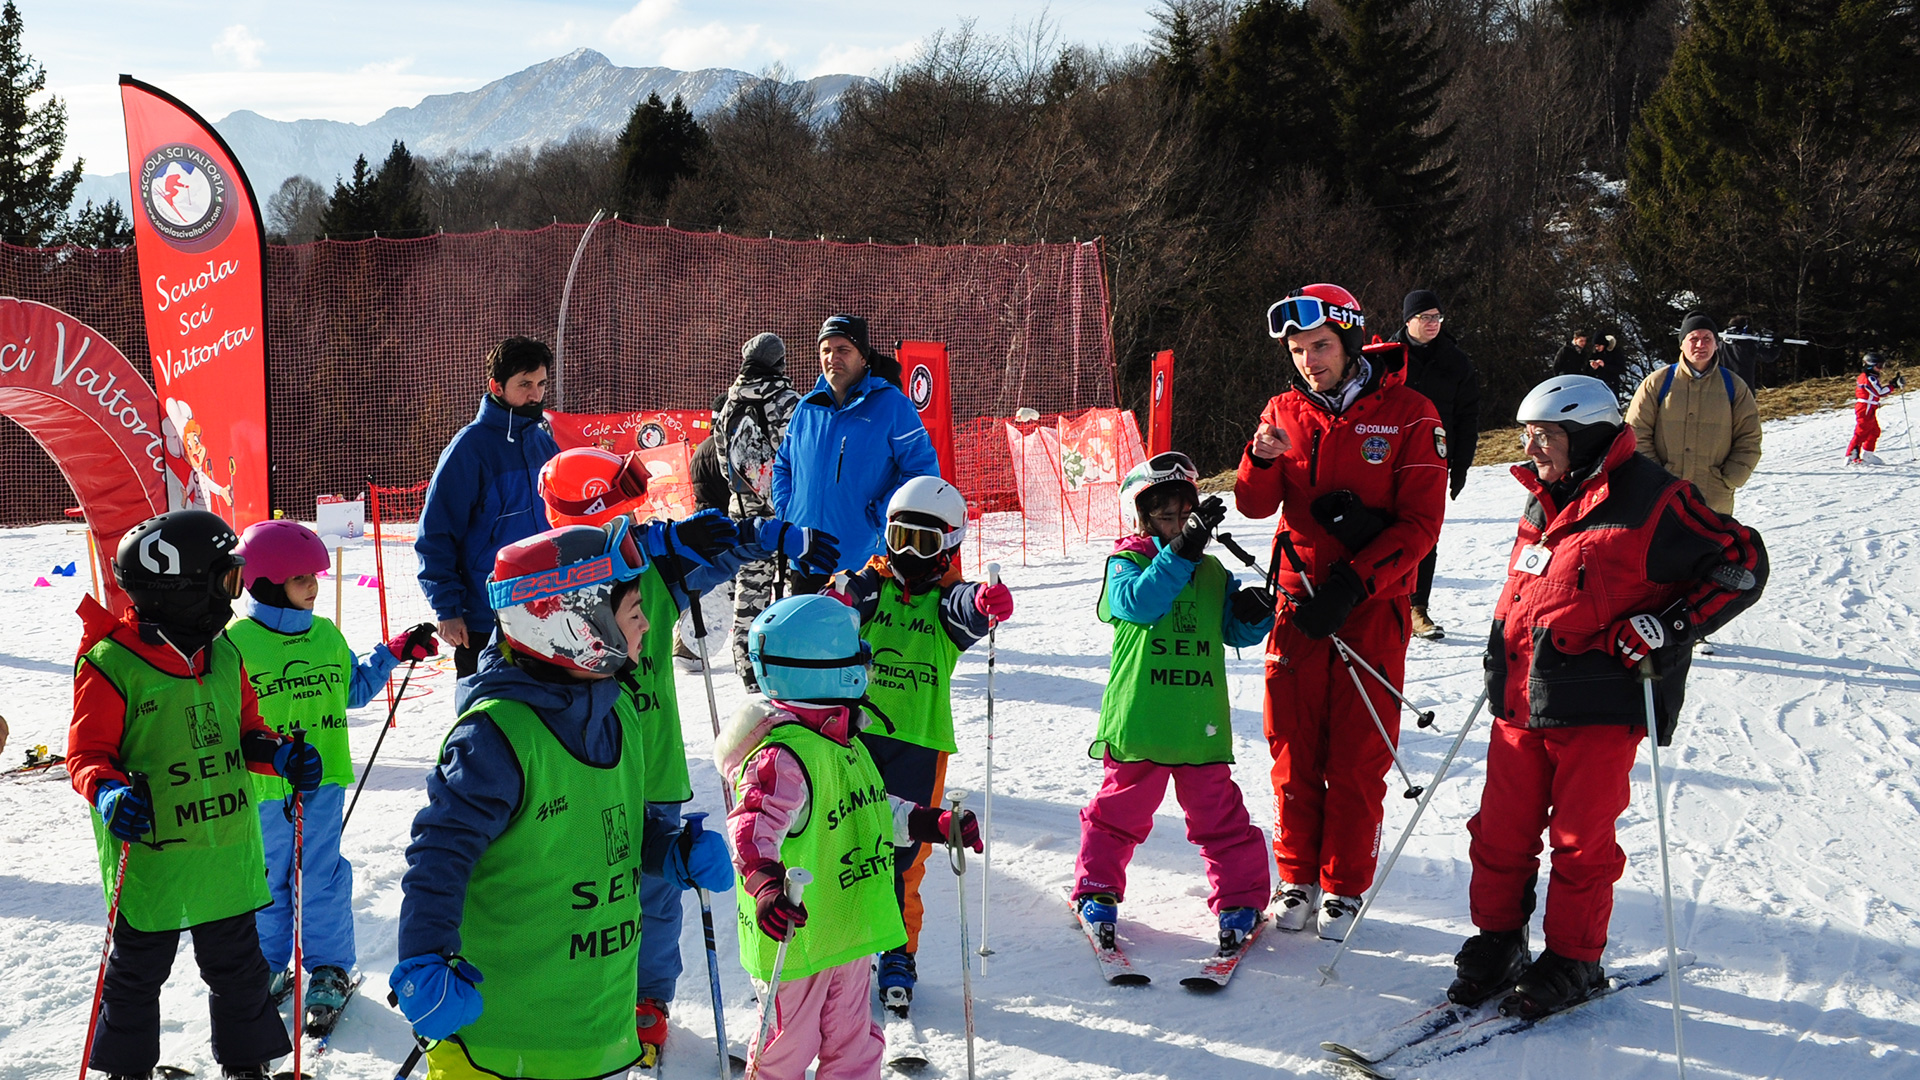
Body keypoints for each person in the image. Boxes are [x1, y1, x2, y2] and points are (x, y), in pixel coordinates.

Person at [1451, 375, 1766, 1020]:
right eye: (1529, 433)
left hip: (1599, 704)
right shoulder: (1542, 499)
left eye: (1548, 434)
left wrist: (1671, 625)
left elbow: (1742, 562)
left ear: (1590, 434)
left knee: (1578, 841)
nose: (1533, 447)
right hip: (1520, 696)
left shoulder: (1657, 499)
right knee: (1499, 835)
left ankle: (1574, 959)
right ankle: (1499, 942)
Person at [391, 521, 735, 1080]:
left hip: (596, 1030)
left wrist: (667, 850)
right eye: (631, 612)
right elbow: (439, 856)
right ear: (575, 626)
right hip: (502, 1043)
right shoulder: (496, 737)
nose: (648, 623)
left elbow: (612, 824)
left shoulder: (619, 709)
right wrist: (424, 956)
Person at [535, 447, 833, 1064]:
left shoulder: (652, 574)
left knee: (656, 890)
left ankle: (649, 997)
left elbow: (715, 549)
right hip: (583, 772)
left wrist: (777, 536)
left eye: (628, 522)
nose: (629, 533)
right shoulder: (549, 594)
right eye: (614, 522)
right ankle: (583, 988)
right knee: (585, 887)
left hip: (654, 769)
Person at [68, 509, 324, 1080]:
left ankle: (244, 1064)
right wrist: (109, 795)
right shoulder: (112, 664)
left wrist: (280, 754)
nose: (232, 592)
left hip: (224, 850)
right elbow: (88, 756)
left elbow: (247, 731)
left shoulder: (224, 652)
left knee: (237, 968)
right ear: (181, 587)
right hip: (154, 857)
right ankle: (126, 1069)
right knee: (136, 972)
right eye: (223, 577)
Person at [1233, 283, 1448, 940]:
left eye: (1320, 346)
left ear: (1351, 341)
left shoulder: (1411, 413)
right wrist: (1258, 459)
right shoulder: (1282, 409)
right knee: (1293, 747)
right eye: (1297, 351)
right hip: (1297, 605)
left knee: (1356, 756)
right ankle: (1296, 874)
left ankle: (1344, 883)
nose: (1308, 362)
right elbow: (1252, 506)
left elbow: (1421, 525)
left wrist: (1354, 586)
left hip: (1369, 608)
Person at [715, 594, 981, 1080]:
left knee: (855, 1046)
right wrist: (768, 887)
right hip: (796, 940)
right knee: (785, 1051)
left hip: (849, 932)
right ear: (827, 668)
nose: (867, 659)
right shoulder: (784, 757)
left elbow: (871, 808)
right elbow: (749, 831)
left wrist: (930, 823)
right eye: (857, 651)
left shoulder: (842, 738)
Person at [224, 520, 438, 1028]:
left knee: (320, 875)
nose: (314, 587)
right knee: (268, 879)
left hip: (321, 784)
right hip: (262, 788)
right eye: (302, 580)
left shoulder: (324, 634)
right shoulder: (234, 645)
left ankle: (328, 967)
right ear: (269, 583)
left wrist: (393, 652)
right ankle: (270, 966)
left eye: (314, 577)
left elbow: (352, 689)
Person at [824, 475, 1013, 1014]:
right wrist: (836, 593)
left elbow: (966, 610)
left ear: (948, 547)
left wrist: (985, 600)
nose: (909, 553)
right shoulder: (870, 588)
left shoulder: (943, 605)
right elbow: (839, 607)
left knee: (904, 856)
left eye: (925, 543)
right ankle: (838, 941)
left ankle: (897, 951)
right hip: (852, 737)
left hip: (918, 747)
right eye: (902, 536)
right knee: (843, 841)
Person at [1071, 453, 1274, 952]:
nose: (1178, 522)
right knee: (1117, 813)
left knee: (1219, 819)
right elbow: (1139, 604)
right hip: (1140, 720)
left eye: (1186, 512)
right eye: (1165, 514)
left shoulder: (1210, 570)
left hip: (1197, 723)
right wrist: (1181, 549)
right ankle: (1096, 890)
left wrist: (1256, 614)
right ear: (1143, 517)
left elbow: (1231, 630)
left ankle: (1241, 899)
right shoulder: (1126, 563)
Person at [416, 335, 561, 677]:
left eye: (541, 383)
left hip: (548, 611)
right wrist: (447, 609)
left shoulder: (545, 444)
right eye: (524, 384)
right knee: (490, 721)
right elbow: (435, 535)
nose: (535, 394)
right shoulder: (469, 449)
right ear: (496, 386)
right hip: (485, 619)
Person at [772, 315, 940, 595]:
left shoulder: (893, 406)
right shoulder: (806, 408)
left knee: (854, 640)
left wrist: (879, 517)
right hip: (805, 560)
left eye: (843, 350)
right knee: (805, 638)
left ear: (863, 358)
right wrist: (787, 513)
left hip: (863, 566)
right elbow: (783, 466)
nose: (832, 358)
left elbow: (923, 473)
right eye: (825, 350)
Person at [715, 332, 805, 690]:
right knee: (793, 591)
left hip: (742, 513)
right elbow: (800, 459)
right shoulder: (788, 402)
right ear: (779, 363)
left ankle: (748, 667)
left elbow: (725, 465)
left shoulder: (728, 405)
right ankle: (787, 664)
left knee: (749, 591)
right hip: (786, 514)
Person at [1391, 289, 1481, 640]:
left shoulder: (1456, 361)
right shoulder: (1387, 357)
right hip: (1386, 456)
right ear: (1408, 320)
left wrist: (1460, 467)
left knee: (1423, 534)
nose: (1432, 324)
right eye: (1425, 317)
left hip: (1432, 459)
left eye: (1437, 317)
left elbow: (1467, 416)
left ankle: (1418, 608)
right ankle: (1385, 603)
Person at [1624, 312, 1763, 515]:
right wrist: (1655, 477)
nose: (1700, 344)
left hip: (1714, 498)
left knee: (1711, 547)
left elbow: (1749, 437)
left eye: (1707, 338)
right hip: (1662, 495)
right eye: (1694, 338)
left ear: (1716, 344)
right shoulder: (1658, 382)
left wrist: (1730, 479)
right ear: (1681, 344)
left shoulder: (1733, 385)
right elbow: (1635, 433)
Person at [1847, 353, 1904, 465]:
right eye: (1878, 366)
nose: (1881, 369)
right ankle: (1851, 456)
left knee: (1874, 431)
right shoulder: (1867, 378)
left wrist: (1892, 384)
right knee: (1862, 431)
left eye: (1882, 365)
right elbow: (1879, 392)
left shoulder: (1871, 377)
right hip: (1865, 407)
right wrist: (1893, 385)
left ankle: (1868, 455)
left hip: (1870, 406)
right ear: (1869, 365)